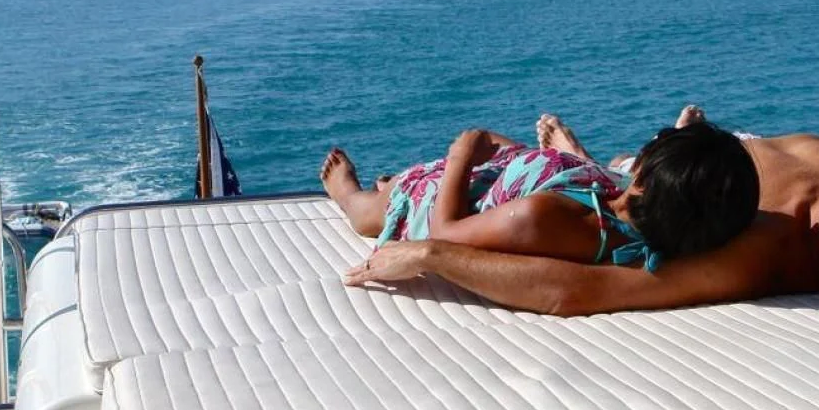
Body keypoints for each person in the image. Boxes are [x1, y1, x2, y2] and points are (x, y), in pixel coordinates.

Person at [343, 106, 819, 314]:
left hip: (683, 192)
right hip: (708, 165)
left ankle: (597, 165)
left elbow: (588, 289)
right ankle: (598, 159)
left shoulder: (763, 253)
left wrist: (432, 253)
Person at [320, 118, 760, 272]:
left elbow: (445, 233)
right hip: (509, 179)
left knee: (371, 210)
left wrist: (460, 158)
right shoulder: (643, 213)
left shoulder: (550, 218)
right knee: (489, 142)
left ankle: (352, 192)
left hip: (435, 201)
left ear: (645, 182)